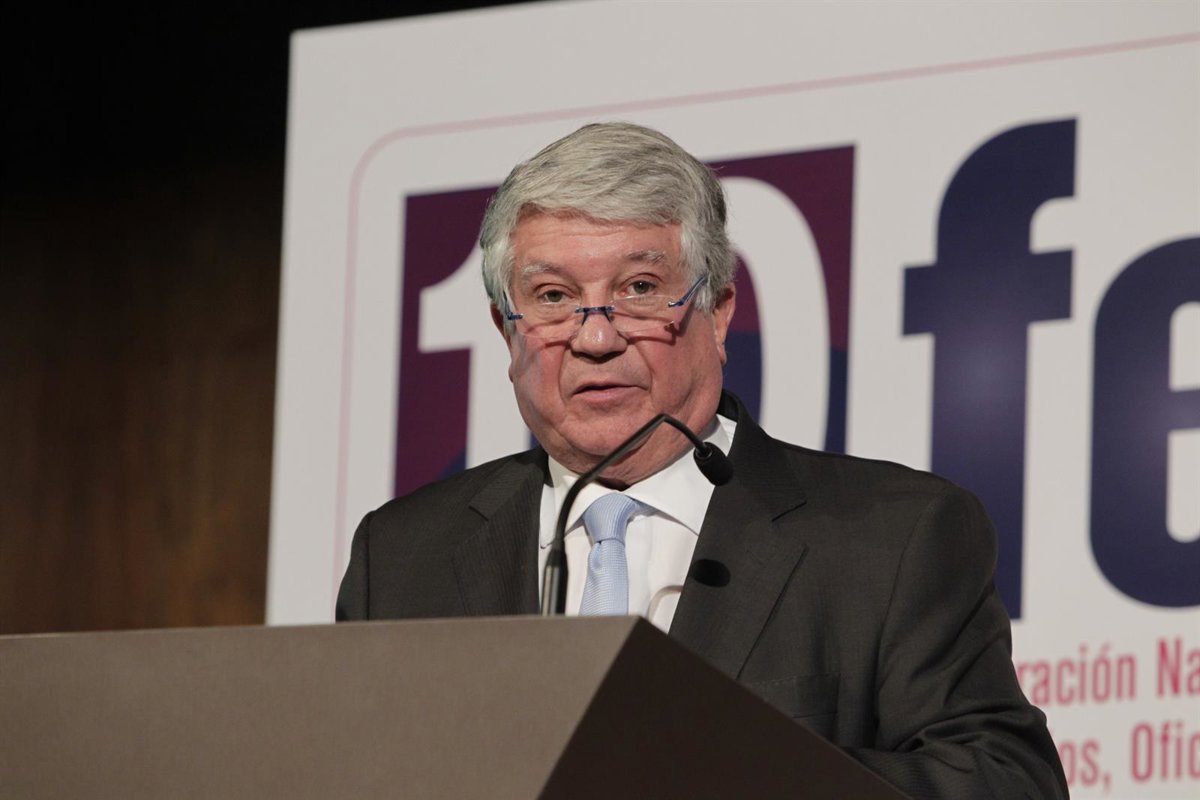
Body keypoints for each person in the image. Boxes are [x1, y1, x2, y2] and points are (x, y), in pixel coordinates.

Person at [337, 122, 1068, 799]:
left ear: (717, 312)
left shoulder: (891, 537)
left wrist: (731, 771)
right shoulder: (403, 559)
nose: (597, 338)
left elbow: (1006, 782)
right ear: (507, 331)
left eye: (639, 289)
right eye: (554, 297)